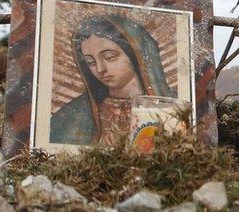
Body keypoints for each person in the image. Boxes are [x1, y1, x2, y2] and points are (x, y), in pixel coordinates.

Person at [50, 14, 175, 145]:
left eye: (110, 57)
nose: (100, 69)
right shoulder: (73, 117)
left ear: (135, 55)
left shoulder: (171, 110)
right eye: (91, 62)